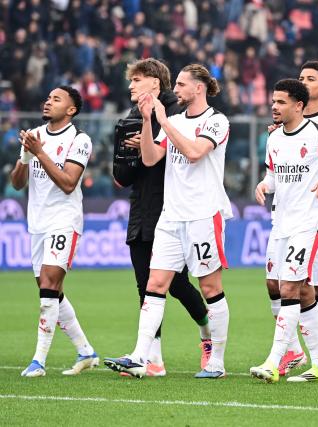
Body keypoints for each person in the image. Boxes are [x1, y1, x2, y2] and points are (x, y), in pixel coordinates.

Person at [104, 64, 232, 379]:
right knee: (155, 285)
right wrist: (148, 121)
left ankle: (216, 360)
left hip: (204, 215)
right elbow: (149, 158)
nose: (175, 88)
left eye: (181, 84)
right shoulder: (171, 121)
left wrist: (161, 120)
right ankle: (141, 356)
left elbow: (193, 153)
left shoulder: (216, 121)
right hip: (171, 217)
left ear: (199, 88)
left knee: (210, 287)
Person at [252, 78, 318, 383]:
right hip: (281, 224)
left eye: (281, 102)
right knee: (298, 288)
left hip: (309, 224)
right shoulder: (274, 139)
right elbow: (273, 176)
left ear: (298, 105)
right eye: (273, 101)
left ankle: (273, 362)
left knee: (289, 288)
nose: (274, 106)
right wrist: (264, 184)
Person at [10, 86, 98, 377]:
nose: (48, 102)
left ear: (71, 109)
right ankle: (86, 351)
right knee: (50, 290)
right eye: (48, 98)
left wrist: (39, 152)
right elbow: (18, 183)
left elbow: (69, 182)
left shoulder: (79, 140)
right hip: (37, 222)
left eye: (56, 99)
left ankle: (39, 361)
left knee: (49, 283)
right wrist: (25, 156)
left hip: (64, 219)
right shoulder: (35, 135)